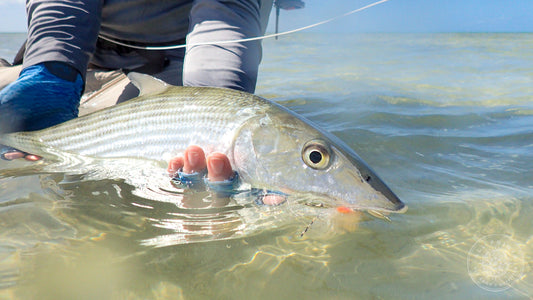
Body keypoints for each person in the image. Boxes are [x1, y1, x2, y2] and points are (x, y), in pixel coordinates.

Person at [0, 0, 285, 204]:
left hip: (182, 55)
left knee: (177, 180)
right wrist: (51, 69)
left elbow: (225, 11)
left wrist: (211, 109)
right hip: (84, 47)